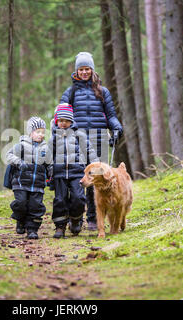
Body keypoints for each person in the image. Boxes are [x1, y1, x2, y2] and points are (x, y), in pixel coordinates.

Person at [59, 52, 123, 231]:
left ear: (92, 70)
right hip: (77, 141)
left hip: (99, 139)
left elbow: (111, 115)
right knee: (79, 181)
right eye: (81, 69)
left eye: (87, 69)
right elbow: (61, 117)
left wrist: (116, 128)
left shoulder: (103, 92)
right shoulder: (70, 92)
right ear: (76, 71)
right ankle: (76, 217)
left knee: (97, 181)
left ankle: (94, 218)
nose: (85, 72)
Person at [49, 103, 99, 238]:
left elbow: (89, 150)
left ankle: (76, 219)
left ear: (71, 121)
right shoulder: (53, 137)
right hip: (59, 173)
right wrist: (48, 170)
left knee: (79, 198)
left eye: (66, 121)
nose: (63, 123)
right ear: (56, 121)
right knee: (60, 200)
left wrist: (95, 164)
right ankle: (60, 226)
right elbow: (48, 155)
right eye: (60, 121)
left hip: (77, 172)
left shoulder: (79, 135)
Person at [6, 117, 52, 239]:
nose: (41, 135)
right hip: (21, 182)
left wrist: (51, 173)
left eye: (43, 132)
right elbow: (9, 155)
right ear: (30, 132)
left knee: (35, 206)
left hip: (37, 184)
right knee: (21, 203)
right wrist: (19, 162)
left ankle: (32, 229)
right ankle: (20, 219)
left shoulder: (46, 148)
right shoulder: (21, 145)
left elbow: (49, 163)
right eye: (38, 132)